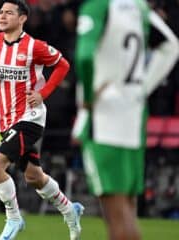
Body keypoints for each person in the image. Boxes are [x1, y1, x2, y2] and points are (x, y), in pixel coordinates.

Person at [0, 1, 84, 240]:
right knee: (34, 176)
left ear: (22, 18)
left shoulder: (34, 46)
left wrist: (43, 94)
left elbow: (63, 65)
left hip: (30, 118)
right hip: (7, 121)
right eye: (1, 12)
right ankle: (69, 209)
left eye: (9, 13)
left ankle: (13, 217)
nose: (2, 16)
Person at [73, 0, 179, 239]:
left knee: (116, 213)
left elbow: (85, 56)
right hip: (133, 117)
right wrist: (142, 89)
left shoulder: (98, 6)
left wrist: (89, 97)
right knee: (127, 210)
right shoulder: (139, 7)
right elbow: (172, 45)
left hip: (104, 118)